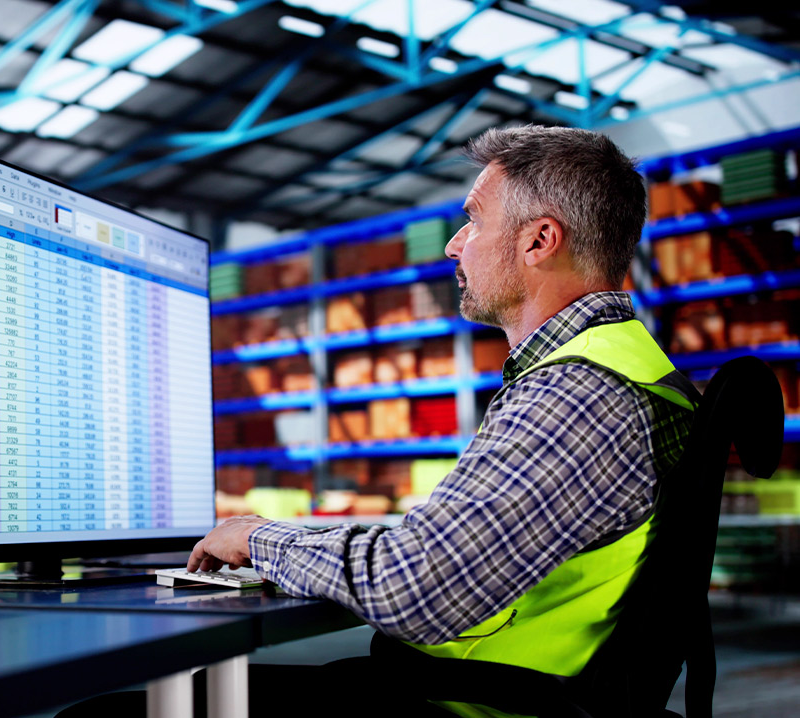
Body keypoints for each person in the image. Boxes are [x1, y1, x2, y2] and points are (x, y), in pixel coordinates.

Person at [186, 125, 698, 716]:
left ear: (540, 241)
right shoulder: (628, 365)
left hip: (471, 706)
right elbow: (440, 548)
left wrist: (256, 538)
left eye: (475, 220)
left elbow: (414, 587)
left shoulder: (577, 392)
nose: (455, 245)